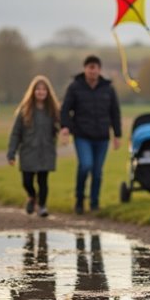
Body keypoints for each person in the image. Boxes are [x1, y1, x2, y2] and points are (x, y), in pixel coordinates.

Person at [60, 55, 122, 214]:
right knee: (85, 165)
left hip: (102, 137)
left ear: (100, 70)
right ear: (85, 69)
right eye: (90, 68)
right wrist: (66, 127)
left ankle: (94, 202)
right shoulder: (75, 87)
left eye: (95, 68)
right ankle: (79, 200)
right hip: (82, 136)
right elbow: (65, 109)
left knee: (97, 171)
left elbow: (115, 113)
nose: (92, 71)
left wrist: (117, 135)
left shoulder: (108, 88)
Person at [7, 75, 61, 218]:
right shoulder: (24, 110)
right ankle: (32, 196)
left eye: (44, 89)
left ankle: (42, 206)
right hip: (28, 151)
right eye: (38, 89)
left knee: (43, 181)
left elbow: (62, 125)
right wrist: (11, 153)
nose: (41, 92)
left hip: (46, 151)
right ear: (33, 91)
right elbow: (16, 133)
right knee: (27, 181)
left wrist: (64, 131)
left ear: (48, 92)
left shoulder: (53, 111)